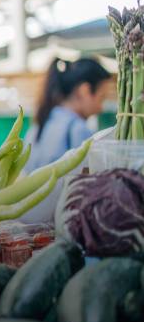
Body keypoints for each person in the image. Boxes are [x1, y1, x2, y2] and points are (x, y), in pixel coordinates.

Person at [21, 57, 111, 223]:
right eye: (102, 97)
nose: (102, 107)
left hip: (29, 222)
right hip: (57, 224)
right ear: (84, 91)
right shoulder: (78, 129)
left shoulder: (39, 124)